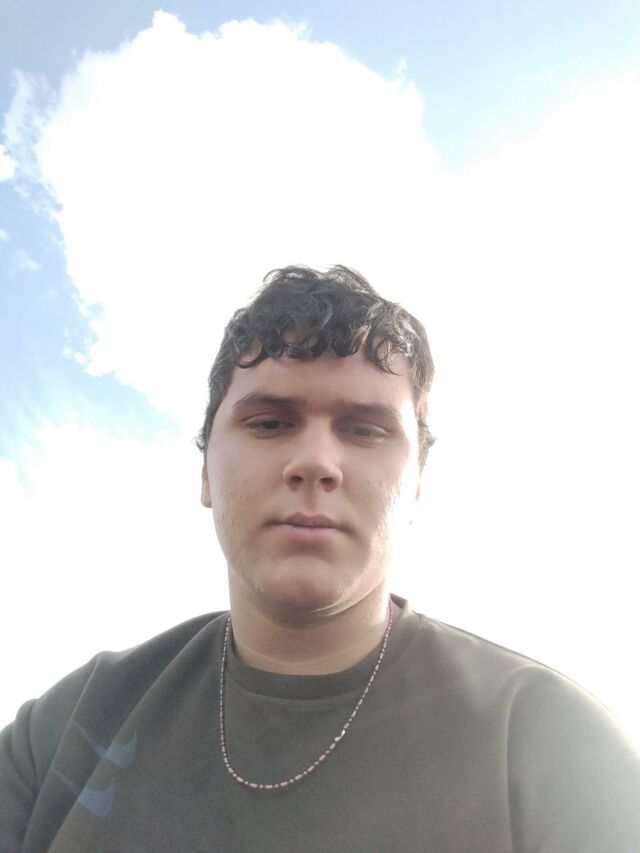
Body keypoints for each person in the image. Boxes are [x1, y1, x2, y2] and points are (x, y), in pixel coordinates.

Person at [1, 265, 638, 852]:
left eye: (364, 430)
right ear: (205, 473)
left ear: (416, 482)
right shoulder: (68, 726)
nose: (315, 463)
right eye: (269, 422)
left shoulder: (552, 747)